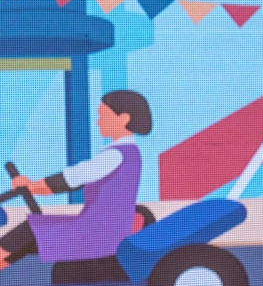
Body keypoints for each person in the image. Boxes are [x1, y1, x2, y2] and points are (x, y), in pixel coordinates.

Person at [0, 91, 151, 269]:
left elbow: (72, 178)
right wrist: (32, 187)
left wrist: (31, 186)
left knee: (30, 229)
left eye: (103, 116)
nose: (98, 121)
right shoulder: (129, 153)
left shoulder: (116, 155)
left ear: (123, 118)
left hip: (97, 232)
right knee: (35, 233)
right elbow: (73, 180)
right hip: (103, 228)